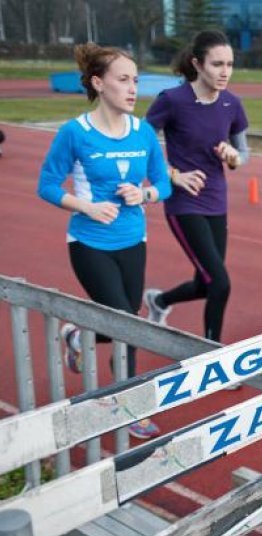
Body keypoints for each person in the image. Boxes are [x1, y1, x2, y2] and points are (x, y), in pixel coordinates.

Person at [38, 43, 171, 438]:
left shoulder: (144, 131)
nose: (133, 89)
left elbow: (163, 184)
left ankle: (78, 335)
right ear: (99, 83)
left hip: (134, 239)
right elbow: (46, 185)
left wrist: (143, 194)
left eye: (135, 80)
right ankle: (126, 405)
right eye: (124, 80)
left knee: (126, 324)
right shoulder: (75, 133)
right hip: (89, 243)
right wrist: (85, 206)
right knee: (126, 323)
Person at [144, 30, 249, 356]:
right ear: (197, 64)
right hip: (183, 203)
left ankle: (159, 301)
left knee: (207, 283)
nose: (225, 71)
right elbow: (139, 145)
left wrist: (234, 158)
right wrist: (173, 175)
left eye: (230, 64)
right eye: (217, 64)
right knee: (220, 282)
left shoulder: (232, 103)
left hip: (217, 202)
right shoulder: (172, 101)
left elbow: (243, 154)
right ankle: (212, 357)